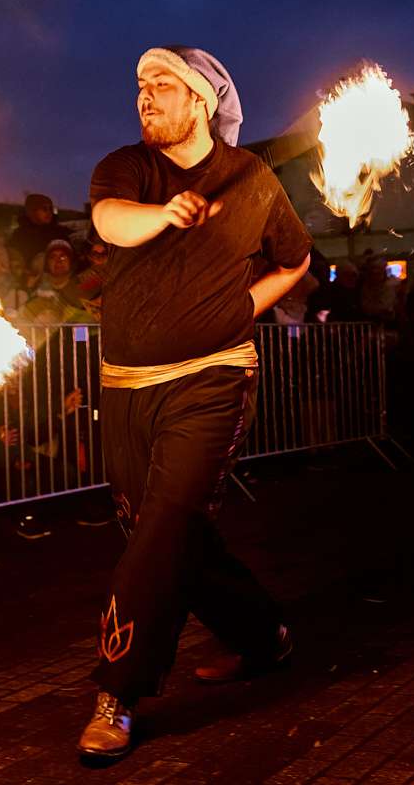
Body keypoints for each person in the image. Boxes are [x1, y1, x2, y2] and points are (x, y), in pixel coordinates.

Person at [76, 45, 311, 759]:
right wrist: (163, 213)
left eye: (162, 84)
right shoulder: (128, 166)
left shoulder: (251, 178)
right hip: (126, 385)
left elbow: (295, 258)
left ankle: (118, 692)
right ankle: (262, 635)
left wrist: (243, 308)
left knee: (164, 528)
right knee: (163, 534)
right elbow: (109, 220)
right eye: (139, 85)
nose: (145, 95)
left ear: (202, 101)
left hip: (212, 380)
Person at [7, 193, 60, 276]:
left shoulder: (57, 232)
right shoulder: (19, 235)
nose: (49, 212)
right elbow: (14, 261)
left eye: (50, 209)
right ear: (32, 211)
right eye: (44, 209)